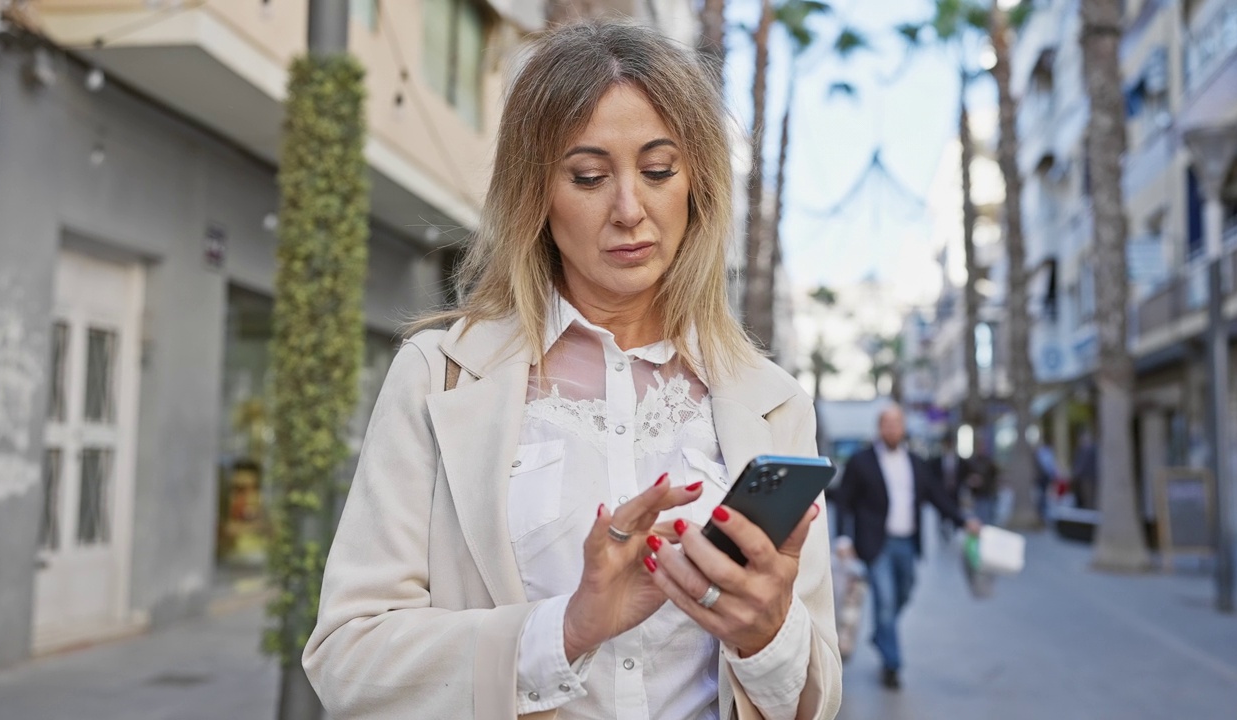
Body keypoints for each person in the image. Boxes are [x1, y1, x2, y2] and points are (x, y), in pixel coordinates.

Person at [302, 21, 841, 720]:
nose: (629, 210)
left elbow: (814, 699)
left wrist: (768, 634)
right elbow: (349, 657)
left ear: (696, 185)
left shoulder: (772, 405)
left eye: (657, 171)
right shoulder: (441, 378)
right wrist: (567, 628)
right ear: (537, 195)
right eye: (588, 176)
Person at [835, 405, 980, 690]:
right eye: (887, 424)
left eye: (897, 424)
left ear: (903, 428)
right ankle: (892, 664)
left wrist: (964, 520)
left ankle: (880, 634)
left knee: (904, 592)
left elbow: (938, 497)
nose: (892, 429)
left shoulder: (916, 463)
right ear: (880, 428)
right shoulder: (860, 462)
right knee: (886, 600)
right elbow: (844, 502)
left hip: (907, 543)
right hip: (876, 545)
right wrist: (843, 539)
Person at [928, 433, 970, 540]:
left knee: (955, 510)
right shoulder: (936, 461)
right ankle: (943, 530)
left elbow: (965, 474)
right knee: (943, 512)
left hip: (955, 493)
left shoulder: (960, 461)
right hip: (942, 492)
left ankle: (955, 528)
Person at [966, 436, 1000, 525]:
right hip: (978, 495)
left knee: (988, 518)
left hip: (988, 493)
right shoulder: (973, 462)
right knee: (979, 517)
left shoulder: (989, 462)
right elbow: (968, 477)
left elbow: (994, 476)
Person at [1072, 430, 1098, 510]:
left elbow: (1081, 465)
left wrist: (1075, 474)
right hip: (1087, 478)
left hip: (1088, 478)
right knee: (1087, 498)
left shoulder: (1088, 449)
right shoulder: (1088, 449)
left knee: (1088, 498)